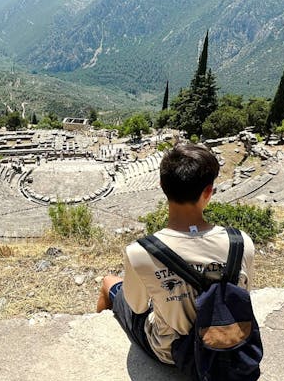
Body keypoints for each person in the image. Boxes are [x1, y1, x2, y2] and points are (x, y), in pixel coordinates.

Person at [96, 143, 255, 365]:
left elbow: (138, 307)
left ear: (162, 186)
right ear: (208, 192)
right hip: (228, 342)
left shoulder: (141, 252)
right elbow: (242, 293)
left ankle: (96, 334)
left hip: (173, 353)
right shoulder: (242, 242)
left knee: (109, 282)